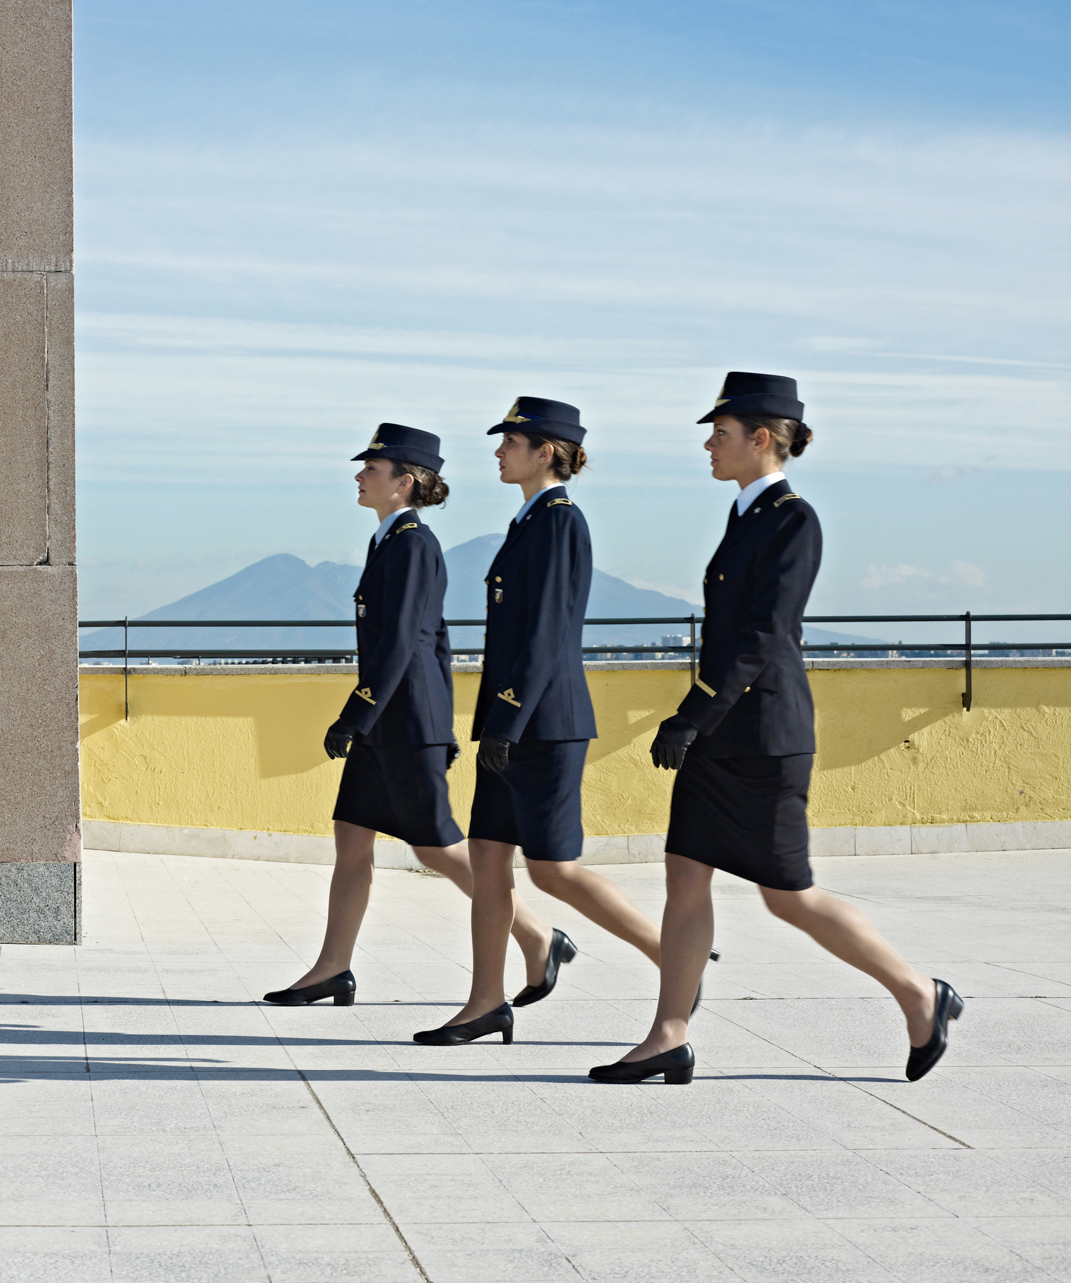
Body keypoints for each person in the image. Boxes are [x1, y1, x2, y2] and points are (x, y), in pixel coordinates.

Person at [591, 373, 961, 1084]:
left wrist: (690, 713)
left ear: (761, 438)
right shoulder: (744, 514)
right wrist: (699, 721)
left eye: (720, 433)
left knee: (787, 894)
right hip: (721, 735)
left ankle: (920, 993)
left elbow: (760, 637)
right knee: (684, 874)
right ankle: (668, 1032)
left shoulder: (795, 519)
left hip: (765, 737)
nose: (708, 444)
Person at [266, 423, 553, 1007]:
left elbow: (403, 644)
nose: (359, 476)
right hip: (386, 721)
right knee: (351, 838)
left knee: (437, 847)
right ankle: (332, 969)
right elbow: (437, 641)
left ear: (406, 482)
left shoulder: (416, 544)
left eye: (371, 469)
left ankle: (540, 936)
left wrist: (357, 715)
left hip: (404, 721)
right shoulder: (388, 541)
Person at [416, 399, 664, 1046]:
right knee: (489, 861)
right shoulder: (528, 522)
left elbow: (548, 632)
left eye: (512, 442)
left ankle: (676, 958)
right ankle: (484, 1002)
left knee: (553, 869)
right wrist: (499, 720)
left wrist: (512, 718)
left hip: (545, 725)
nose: (499, 452)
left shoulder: (560, 523)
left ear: (546, 451)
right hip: (510, 721)